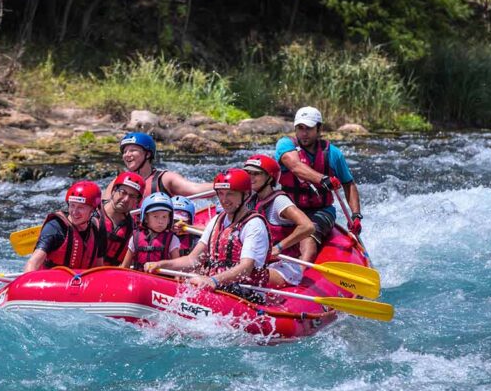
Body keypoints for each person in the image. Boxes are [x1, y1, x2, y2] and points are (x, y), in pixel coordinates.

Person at [144, 168, 276, 299]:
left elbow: (245, 268)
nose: (224, 199)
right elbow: (193, 259)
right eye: (221, 193)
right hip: (219, 289)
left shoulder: (254, 225)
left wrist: (213, 280)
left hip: (246, 294)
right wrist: (161, 264)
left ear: (246, 195)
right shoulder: (217, 220)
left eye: (230, 193)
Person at [275, 106, 363, 258]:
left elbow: (348, 184)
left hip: (320, 211)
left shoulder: (333, 154)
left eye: (308, 128)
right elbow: (295, 166)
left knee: (308, 239)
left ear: (319, 128)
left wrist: (356, 215)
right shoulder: (285, 145)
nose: (304, 133)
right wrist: (323, 179)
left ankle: (301, 276)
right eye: (300, 128)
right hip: (288, 208)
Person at [243, 154, 316, 287]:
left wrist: (278, 247)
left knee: (244, 276)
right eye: (247, 173)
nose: (250, 177)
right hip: (259, 262)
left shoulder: (279, 201)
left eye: (256, 174)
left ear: (269, 177)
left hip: (284, 266)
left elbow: (308, 226)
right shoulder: (250, 200)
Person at [24, 181, 107, 272]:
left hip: (82, 283)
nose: (75, 212)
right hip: (51, 282)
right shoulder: (55, 227)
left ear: (93, 210)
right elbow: (33, 263)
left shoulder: (97, 230)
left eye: (81, 207)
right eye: (72, 205)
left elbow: (99, 268)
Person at [106, 132, 214, 199]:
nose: (127, 155)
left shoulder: (165, 179)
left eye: (133, 150)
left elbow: (196, 189)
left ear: (147, 154)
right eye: (125, 152)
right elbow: (103, 208)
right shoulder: (118, 181)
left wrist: (223, 185)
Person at [121, 192, 181, 270]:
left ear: (169, 219)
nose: (160, 221)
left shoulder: (172, 240)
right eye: (155, 216)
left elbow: (177, 267)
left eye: (164, 217)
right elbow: (125, 266)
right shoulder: (135, 238)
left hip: (161, 280)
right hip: (139, 278)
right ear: (146, 218)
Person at [100, 171, 144, 266]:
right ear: (113, 191)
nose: (126, 199)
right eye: (123, 192)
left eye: (132, 196)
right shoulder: (89, 215)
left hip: (110, 277)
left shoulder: (134, 231)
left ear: (137, 202)